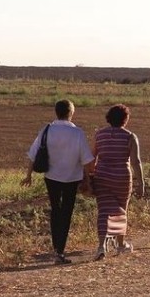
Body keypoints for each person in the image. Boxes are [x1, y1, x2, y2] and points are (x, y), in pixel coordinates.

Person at [21, 99, 95, 265]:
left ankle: (56, 249)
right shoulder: (78, 133)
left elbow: (33, 154)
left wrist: (28, 176)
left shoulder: (46, 130)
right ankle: (60, 251)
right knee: (66, 213)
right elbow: (86, 160)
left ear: (56, 112)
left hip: (51, 177)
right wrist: (88, 180)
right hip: (72, 179)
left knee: (55, 210)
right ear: (71, 113)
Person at [91, 104, 145, 261]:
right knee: (120, 210)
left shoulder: (99, 135)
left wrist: (89, 176)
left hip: (102, 177)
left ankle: (101, 246)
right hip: (122, 178)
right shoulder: (130, 137)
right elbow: (136, 161)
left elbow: (93, 157)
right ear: (125, 119)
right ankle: (120, 245)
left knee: (103, 210)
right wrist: (140, 182)